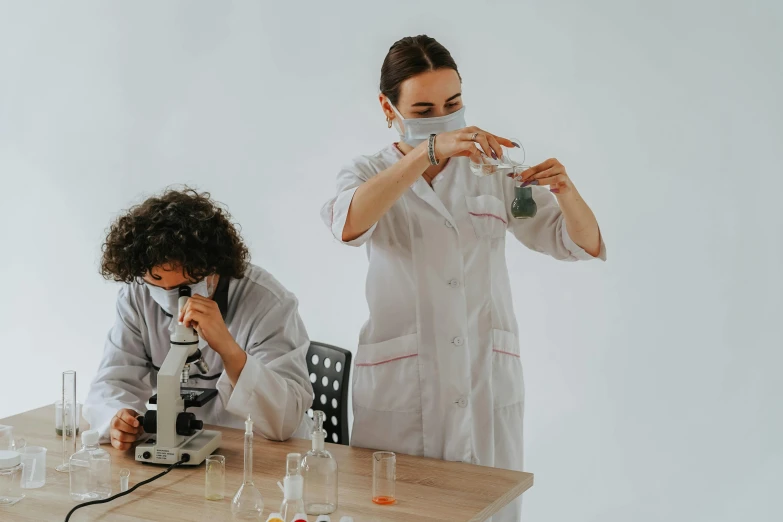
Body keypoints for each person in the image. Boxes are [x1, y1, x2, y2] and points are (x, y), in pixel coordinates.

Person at [321, 35, 606, 521]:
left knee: (483, 510)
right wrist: (428, 151)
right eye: (425, 108)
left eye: (453, 104)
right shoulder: (368, 171)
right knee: (395, 511)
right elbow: (347, 224)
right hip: (402, 390)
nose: (444, 116)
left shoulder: (490, 170)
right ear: (388, 108)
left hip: (483, 382)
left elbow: (576, 243)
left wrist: (567, 190)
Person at [85, 188, 313, 450]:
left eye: (187, 285)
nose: (172, 299)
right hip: (184, 444)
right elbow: (113, 381)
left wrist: (228, 348)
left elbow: (285, 420)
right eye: (158, 285)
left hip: (257, 449)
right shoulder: (137, 295)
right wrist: (118, 417)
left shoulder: (267, 301)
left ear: (215, 267)